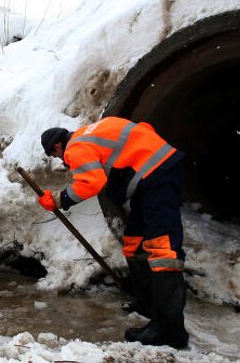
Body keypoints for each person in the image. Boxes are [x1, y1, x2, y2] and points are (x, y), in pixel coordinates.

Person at [39, 116, 188, 349]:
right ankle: (147, 303)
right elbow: (143, 128)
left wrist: (59, 199)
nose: (60, 160)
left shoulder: (75, 147)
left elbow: (92, 181)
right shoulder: (92, 131)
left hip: (157, 176)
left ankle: (170, 330)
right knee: (134, 241)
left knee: (163, 249)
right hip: (151, 176)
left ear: (57, 146)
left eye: (55, 155)